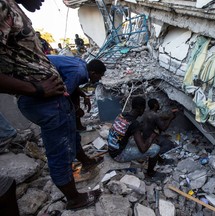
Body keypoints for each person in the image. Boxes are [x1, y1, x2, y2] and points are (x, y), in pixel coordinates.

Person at [0, 0, 101, 210]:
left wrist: (77, 100)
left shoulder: (11, 7)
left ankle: (85, 160)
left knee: (70, 135)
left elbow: (72, 87)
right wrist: (37, 89)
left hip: (52, 99)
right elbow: (70, 88)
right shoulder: (2, 7)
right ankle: (74, 198)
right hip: (45, 101)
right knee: (60, 150)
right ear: (94, 73)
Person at [107, 96, 166, 180]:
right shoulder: (134, 124)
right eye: (144, 108)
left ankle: (160, 160)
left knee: (143, 141)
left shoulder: (123, 115)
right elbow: (143, 149)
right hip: (118, 155)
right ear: (140, 108)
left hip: (112, 148)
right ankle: (150, 173)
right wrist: (152, 136)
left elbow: (130, 128)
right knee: (155, 148)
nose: (144, 110)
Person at [47, 55, 106, 131]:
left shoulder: (84, 67)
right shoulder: (79, 73)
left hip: (50, 65)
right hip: (42, 68)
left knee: (74, 97)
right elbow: (64, 95)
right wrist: (76, 109)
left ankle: (78, 126)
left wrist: (85, 96)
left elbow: (73, 86)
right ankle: (68, 128)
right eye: (100, 76)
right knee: (63, 106)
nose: (99, 79)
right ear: (93, 73)